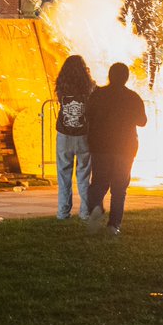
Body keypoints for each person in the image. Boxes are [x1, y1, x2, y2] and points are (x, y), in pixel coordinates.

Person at [85, 62, 147, 235]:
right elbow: (142, 121)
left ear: (109, 76)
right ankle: (113, 226)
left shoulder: (98, 95)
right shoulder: (133, 97)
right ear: (126, 78)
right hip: (125, 147)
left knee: (98, 182)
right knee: (119, 188)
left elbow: (87, 115)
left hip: (100, 146)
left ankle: (96, 207)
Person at [54, 55, 95, 220]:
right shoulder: (89, 87)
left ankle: (63, 212)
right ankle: (85, 212)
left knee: (63, 175)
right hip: (84, 134)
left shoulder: (61, 86)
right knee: (84, 175)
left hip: (64, 134)